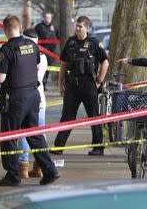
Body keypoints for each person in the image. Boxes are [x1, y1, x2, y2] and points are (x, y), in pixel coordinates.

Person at [0, 15, 59, 187]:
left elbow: (0, 78)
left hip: (15, 98)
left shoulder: (7, 49)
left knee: (9, 136)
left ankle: (13, 174)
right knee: (34, 134)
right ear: (19, 27)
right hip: (33, 95)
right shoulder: (32, 45)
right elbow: (34, 64)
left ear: (5, 29)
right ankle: (49, 170)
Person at [52, 16, 109, 156]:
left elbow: (105, 62)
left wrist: (99, 81)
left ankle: (98, 147)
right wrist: (60, 85)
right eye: (76, 26)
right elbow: (64, 65)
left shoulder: (94, 43)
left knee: (94, 117)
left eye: (80, 26)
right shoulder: (70, 42)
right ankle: (58, 146)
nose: (77, 28)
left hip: (89, 84)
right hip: (72, 84)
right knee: (67, 116)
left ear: (87, 28)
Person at [17, 28, 47, 178]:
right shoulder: (42, 56)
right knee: (40, 133)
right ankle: (39, 166)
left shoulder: (26, 55)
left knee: (24, 133)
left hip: (28, 98)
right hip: (40, 99)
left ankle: (23, 165)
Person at [34, 11, 59, 90]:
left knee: (49, 68)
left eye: (49, 17)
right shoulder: (39, 27)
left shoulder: (54, 26)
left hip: (51, 51)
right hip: (42, 51)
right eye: (47, 17)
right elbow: (44, 36)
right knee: (41, 67)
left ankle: (45, 83)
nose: (48, 19)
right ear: (43, 18)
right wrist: (51, 31)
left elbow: (57, 37)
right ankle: (41, 83)